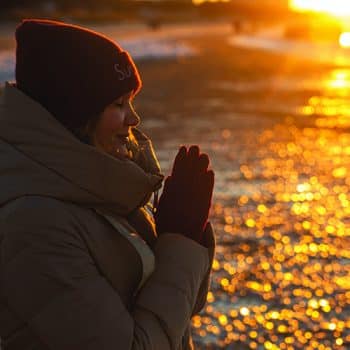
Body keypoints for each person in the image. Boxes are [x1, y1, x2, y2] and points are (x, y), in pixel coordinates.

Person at [0, 19, 216, 350]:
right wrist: (179, 243)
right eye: (118, 104)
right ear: (73, 112)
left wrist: (182, 233)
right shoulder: (34, 224)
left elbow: (180, 311)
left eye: (130, 101)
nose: (134, 119)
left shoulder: (106, 185)